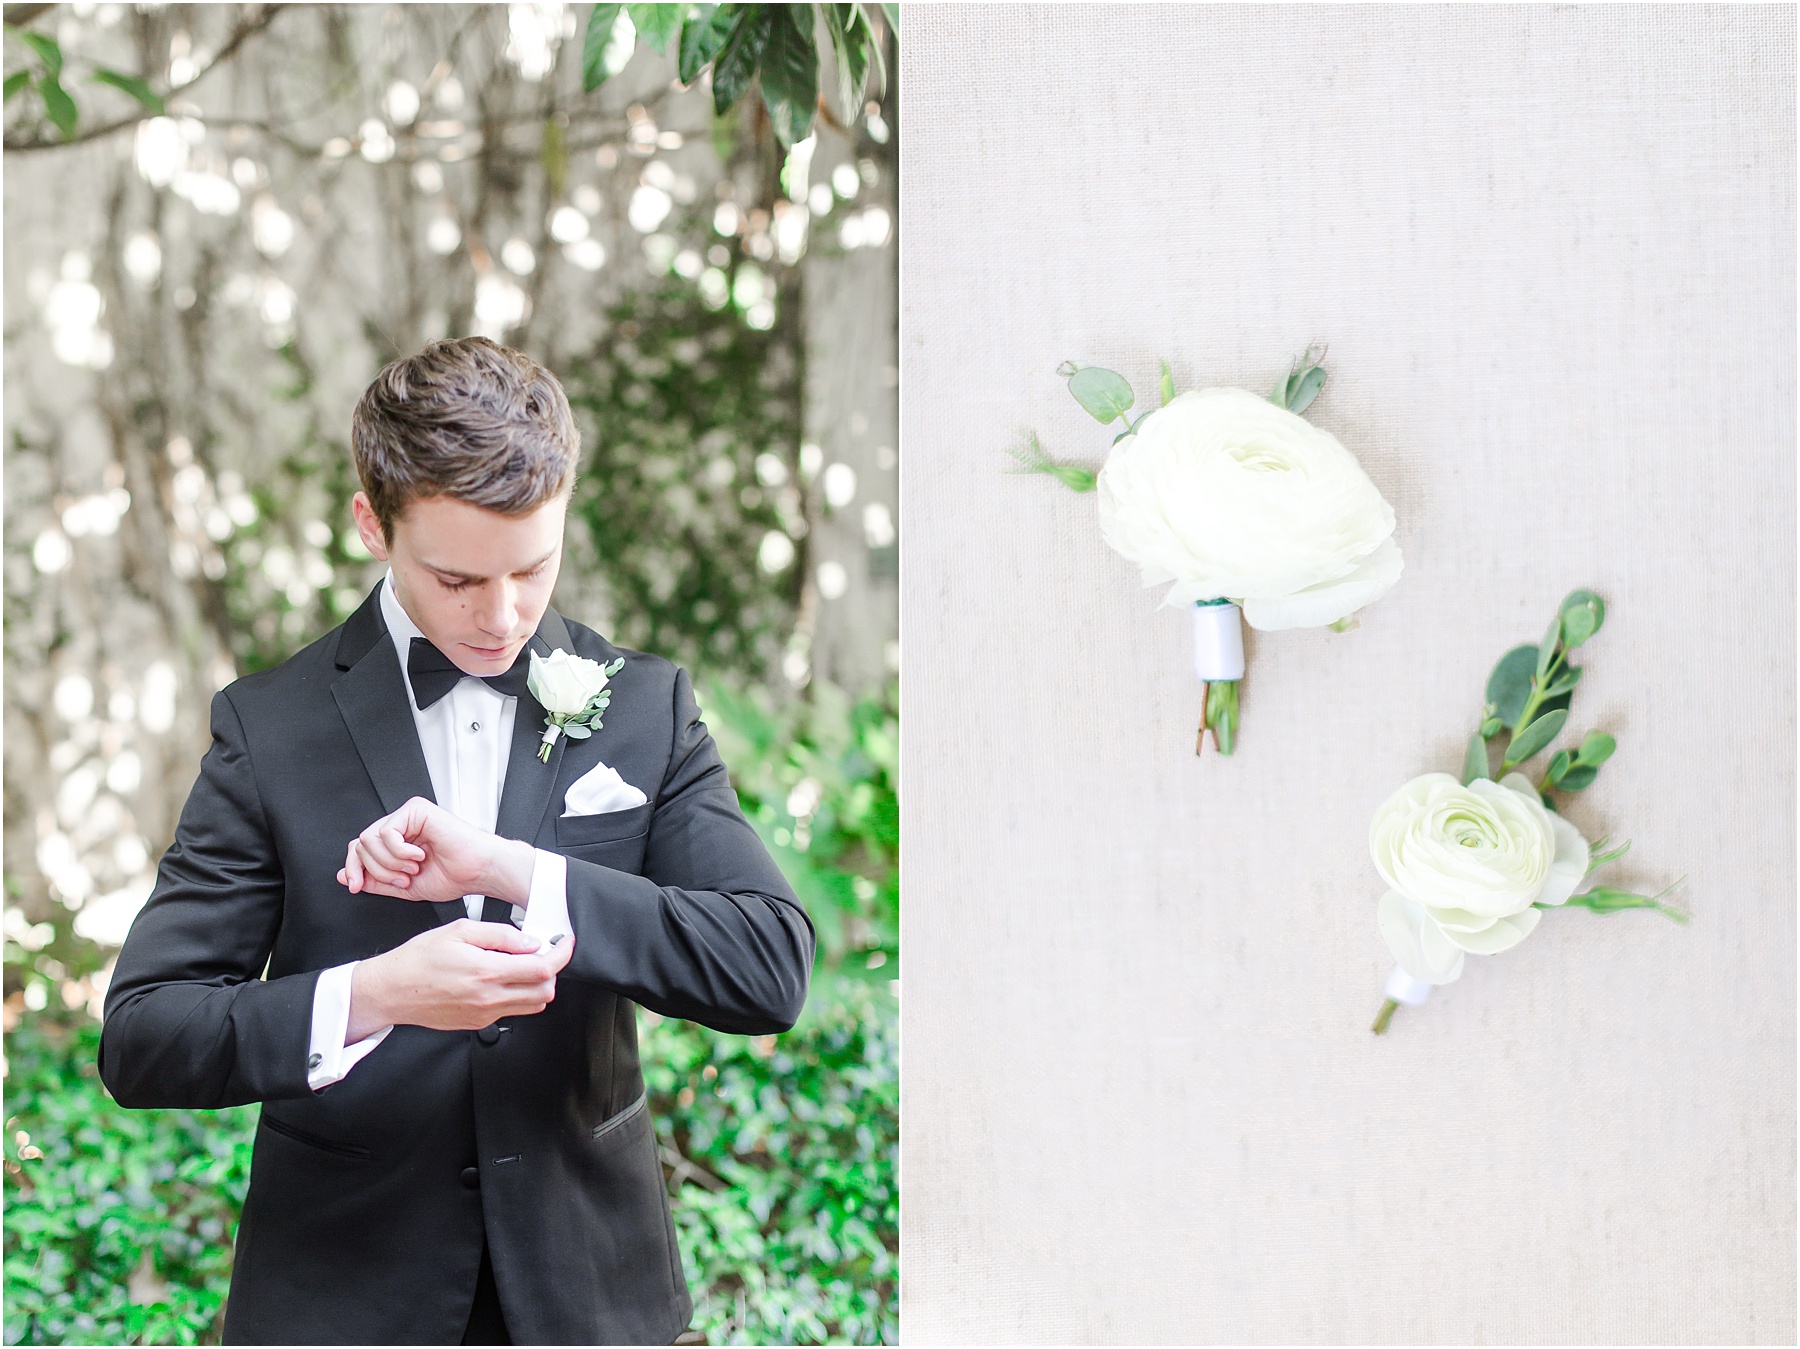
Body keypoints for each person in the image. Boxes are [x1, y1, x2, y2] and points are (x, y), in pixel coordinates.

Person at [98, 336, 814, 1345]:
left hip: (591, 1299)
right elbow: (145, 1035)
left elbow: (769, 965)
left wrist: (510, 869)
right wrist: (378, 992)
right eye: (457, 578)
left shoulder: (645, 706)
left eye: (534, 566)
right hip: (342, 1298)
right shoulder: (270, 727)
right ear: (371, 523)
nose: (504, 614)